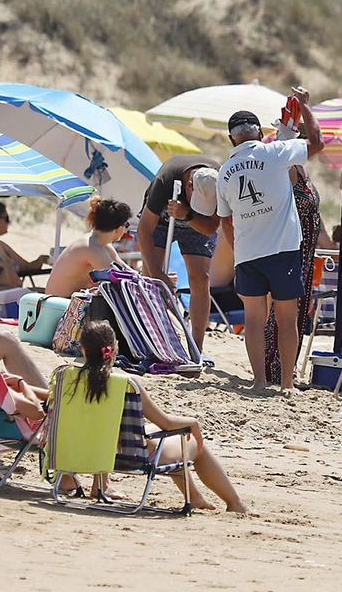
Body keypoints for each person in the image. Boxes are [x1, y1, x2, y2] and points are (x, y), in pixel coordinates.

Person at [64, 322, 247, 513]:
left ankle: (195, 497)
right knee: (188, 441)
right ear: (114, 348)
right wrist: (193, 423)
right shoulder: (126, 384)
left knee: (136, 434)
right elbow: (166, 423)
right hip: (128, 456)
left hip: (78, 452)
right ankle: (235, 503)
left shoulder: (65, 379)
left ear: (82, 349)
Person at [216, 95, 318, 390]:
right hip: (283, 249)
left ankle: (259, 381)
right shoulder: (274, 153)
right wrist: (306, 108)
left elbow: (225, 220)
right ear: (260, 134)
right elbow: (317, 144)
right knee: (286, 319)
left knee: (254, 321)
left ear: (231, 139)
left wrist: (238, 254)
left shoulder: (225, 171)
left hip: (248, 253)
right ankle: (287, 383)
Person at [262, 93, 325, 387]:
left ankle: (284, 368)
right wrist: (305, 108)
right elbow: (318, 141)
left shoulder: (297, 167)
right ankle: (278, 370)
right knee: (286, 311)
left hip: (303, 249)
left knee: (296, 310)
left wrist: (304, 107)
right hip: (291, 248)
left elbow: (316, 139)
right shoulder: (284, 167)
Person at [138, 153, 222, 350]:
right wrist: (158, 274)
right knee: (151, 278)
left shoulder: (221, 181)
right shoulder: (166, 179)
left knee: (201, 278)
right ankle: (148, 339)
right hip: (160, 222)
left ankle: (196, 347)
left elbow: (210, 228)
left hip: (196, 222)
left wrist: (188, 215)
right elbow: (143, 231)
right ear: (188, 186)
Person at [45, 196, 132, 298]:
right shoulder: (92, 248)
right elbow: (118, 279)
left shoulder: (98, 244)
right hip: (56, 306)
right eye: (126, 225)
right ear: (118, 228)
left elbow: (126, 271)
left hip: (63, 304)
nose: (126, 230)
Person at [0, 198, 47, 294]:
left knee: (54, 294)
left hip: (14, 295)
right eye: (6, 219)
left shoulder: (2, 246)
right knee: (55, 297)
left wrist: (40, 260)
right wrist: (1, 264)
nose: (9, 223)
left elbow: (25, 267)